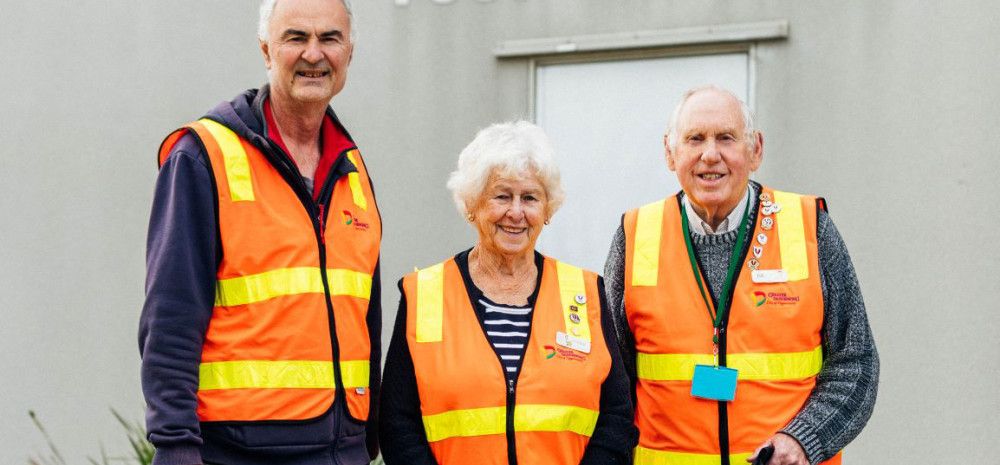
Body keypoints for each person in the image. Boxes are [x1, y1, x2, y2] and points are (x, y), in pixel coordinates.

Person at [138, 1, 382, 464]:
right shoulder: (201, 156)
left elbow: (364, 313)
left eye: (330, 38)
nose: (315, 54)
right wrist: (174, 444)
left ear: (349, 52)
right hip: (235, 452)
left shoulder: (351, 169)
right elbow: (170, 318)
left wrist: (364, 440)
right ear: (266, 50)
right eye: (296, 38)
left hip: (341, 450)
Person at [604, 86, 878, 465]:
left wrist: (802, 441)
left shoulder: (809, 227)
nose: (710, 155)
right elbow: (610, 384)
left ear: (756, 149)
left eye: (726, 138)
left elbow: (857, 362)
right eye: (695, 139)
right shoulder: (635, 236)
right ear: (670, 152)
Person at [379, 121, 637, 465]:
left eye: (530, 197)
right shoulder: (424, 294)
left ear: (547, 209)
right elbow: (398, 424)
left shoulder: (584, 292)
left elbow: (616, 415)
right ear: (473, 204)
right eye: (502, 196)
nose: (516, 213)